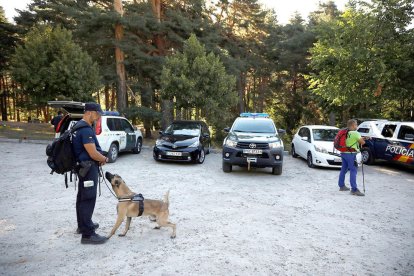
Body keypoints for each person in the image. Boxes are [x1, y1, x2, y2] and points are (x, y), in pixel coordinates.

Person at [72, 103, 109, 244]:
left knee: (82, 197)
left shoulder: (77, 126)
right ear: (89, 112)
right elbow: (92, 153)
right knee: (88, 199)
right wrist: (104, 158)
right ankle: (88, 235)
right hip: (88, 169)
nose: (98, 117)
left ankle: (83, 226)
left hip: (82, 168)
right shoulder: (86, 130)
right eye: (97, 114)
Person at [338, 119, 368, 196]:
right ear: (353, 125)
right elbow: (362, 142)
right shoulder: (356, 133)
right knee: (353, 170)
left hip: (344, 152)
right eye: (356, 124)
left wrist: (362, 138)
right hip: (351, 154)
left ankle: (341, 186)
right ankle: (354, 189)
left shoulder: (345, 132)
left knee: (343, 169)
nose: (357, 126)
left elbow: (351, 141)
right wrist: (363, 139)